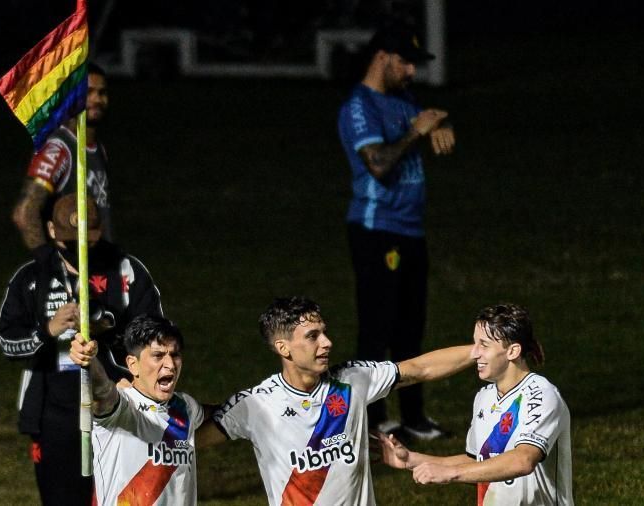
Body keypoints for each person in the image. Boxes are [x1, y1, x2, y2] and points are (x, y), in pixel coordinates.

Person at [196, 296, 474, 505]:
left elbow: (419, 369)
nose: (327, 342)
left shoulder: (353, 379)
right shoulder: (256, 405)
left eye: (324, 332)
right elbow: (190, 442)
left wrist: (480, 350)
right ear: (284, 348)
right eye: (312, 336)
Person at [0, 194, 163, 505]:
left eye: (88, 239)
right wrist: (48, 330)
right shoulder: (32, 278)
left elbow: (157, 341)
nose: (80, 249)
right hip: (53, 418)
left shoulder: (126, 271)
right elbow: (8, 343)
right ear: (51, 229)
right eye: (70, 241)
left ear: (99, 230)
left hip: (119, 408)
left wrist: (110, 329)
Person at [337, 22, 456, 440]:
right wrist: (414, 133)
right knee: (377, 327)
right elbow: (379, 164)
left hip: (409, 229)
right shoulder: (358, 106)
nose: (411, 73)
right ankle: (370, 420)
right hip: (376, 230)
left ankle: (414, 417)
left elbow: (423, 123)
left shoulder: (403, 98)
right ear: (382, 58)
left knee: (411, 326)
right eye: (405, 63)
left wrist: (436, 128)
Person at [377, 304, 574, 506]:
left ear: (513, 351)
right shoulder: (484, 397)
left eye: (484, 345)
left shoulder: (541, 395)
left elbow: (523, 460)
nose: (474, 353)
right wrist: (412, 459)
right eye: (474, 344)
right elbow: (479, 463)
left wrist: (451, 474)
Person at [69, 314, 204, 505]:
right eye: (158, 356)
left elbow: (221, 419)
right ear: (133, 364)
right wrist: (90, 362)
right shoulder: (123, 407)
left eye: (175, 355)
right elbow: (103, 392)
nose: (170, 365)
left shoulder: (187, 408)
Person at [12, 62, 113, 250]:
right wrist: (48, 262)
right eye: (88, 93)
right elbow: (25, 212)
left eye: (102, 93)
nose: (97, 99)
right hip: (74, 270)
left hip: (100, 268)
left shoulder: (98, 148)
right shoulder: (59, 148)